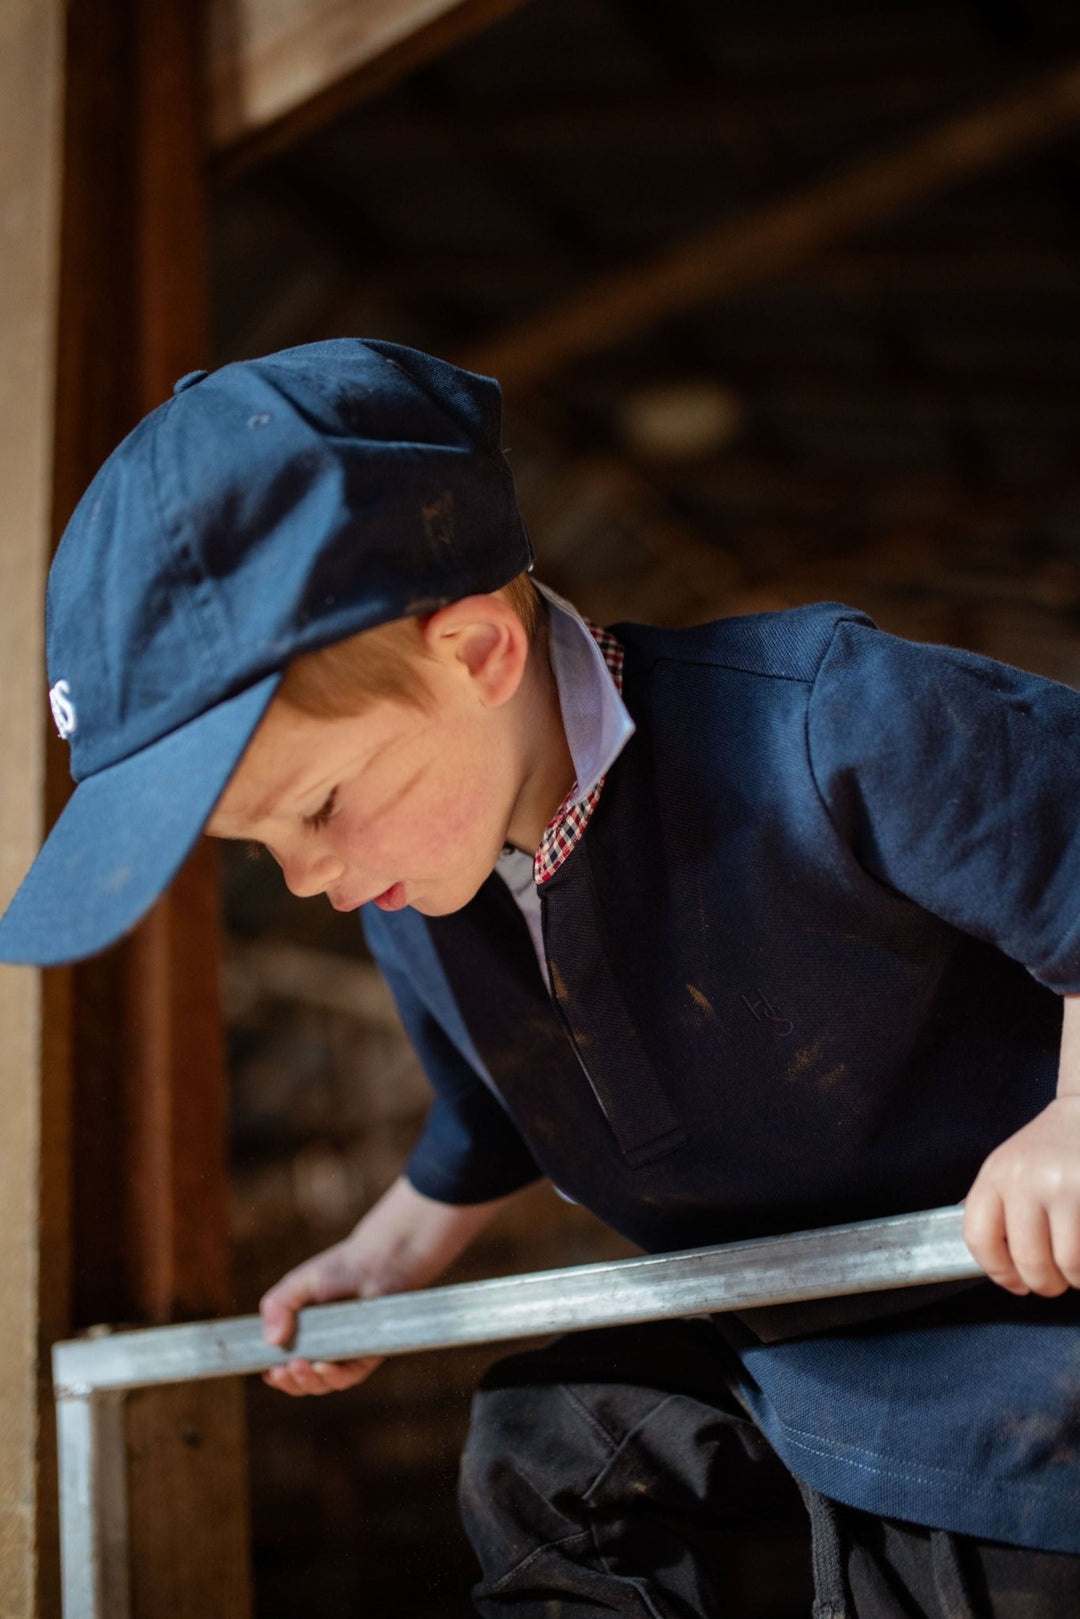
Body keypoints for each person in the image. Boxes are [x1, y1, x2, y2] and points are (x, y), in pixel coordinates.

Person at [3, 338, 1080, 1617]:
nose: (308, 876)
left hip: (1019, 1331)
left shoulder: (827, 722)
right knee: (545, 1442)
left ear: (474, 655)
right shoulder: (419, 889)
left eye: (326, 805)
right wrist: (383, 1254)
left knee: (955, 1542)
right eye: (263, 845)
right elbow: (490, 1111)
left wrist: (1074, 1114)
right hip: (786, 1349)